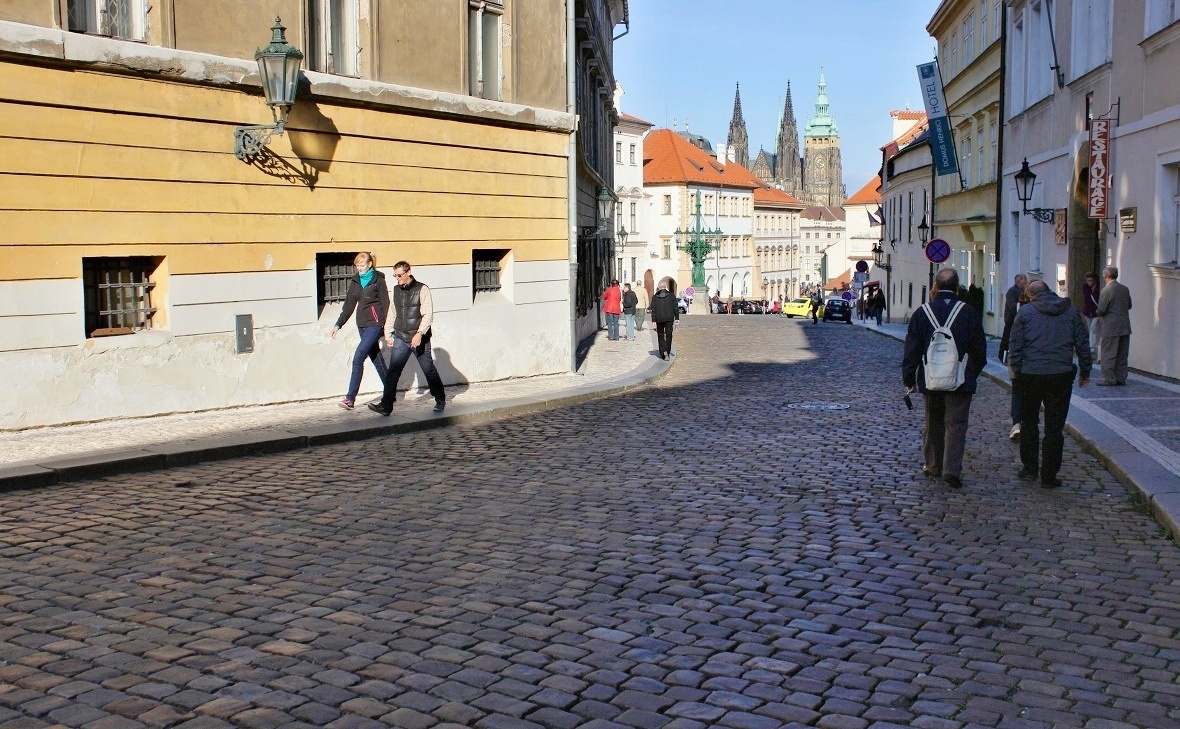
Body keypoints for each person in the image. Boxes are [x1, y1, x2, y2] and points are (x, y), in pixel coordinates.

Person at [902, 268, 987, 489]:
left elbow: (912, 349)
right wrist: (971, 373)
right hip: (961, 380)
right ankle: (952, 470)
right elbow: (980, 350)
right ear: (957, 287)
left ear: (936, 287)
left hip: (931, 379)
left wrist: (909, 378)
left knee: (933, 423)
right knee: (956, 425)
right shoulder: (968, 312)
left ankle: (933, 465)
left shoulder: (922, 313)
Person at [1008, 280, 1091, 489]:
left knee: (1029, 422)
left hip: (1031, 374)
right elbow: (1082, 343)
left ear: (1031, 296)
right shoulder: (1070, 312)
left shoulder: (1025, 313)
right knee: (1054, 427)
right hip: (1060, 374)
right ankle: (1049, 475)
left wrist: (1015, 371)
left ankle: (1030, 469)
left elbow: (1015, 344)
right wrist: (1085, 371)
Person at [368, 261, 447, 415]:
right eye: (395, 275)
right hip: (401, 337)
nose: (397, 278)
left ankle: (440, 398)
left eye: (399, 275)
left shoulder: (422, 289)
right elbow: (392, 312)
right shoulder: (396, 290)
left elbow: (428, 314)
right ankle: (386, 406)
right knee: (393, 371)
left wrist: (420, 333)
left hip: (418, 339)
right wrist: (388, 333)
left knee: (428, 370)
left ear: (408, 272)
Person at [331, 252, 390, 410]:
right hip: (362, 324)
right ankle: (390, 391)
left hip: (375, 324)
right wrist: (338, 325)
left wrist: (387, 328)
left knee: (358, 358)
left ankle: (350, 399)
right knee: (376, 358)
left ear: (369, 264)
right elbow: (349, 305)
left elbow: (386, 304)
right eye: (357, 265)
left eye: (362, 265)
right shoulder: (355, 281)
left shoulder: (379, 280)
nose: (359, 268)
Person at [998, 273, 1028, 440]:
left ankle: (1017, 423)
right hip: (1034, 358)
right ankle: (1027, 423)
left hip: (1017, 355)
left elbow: (1008, 331)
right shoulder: (1039, 311)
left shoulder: (1017, 311)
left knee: (1017, 389)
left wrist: (1003, 352)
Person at [1095, 266, 1132, 386]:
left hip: (1110, 327)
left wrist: (1097, 313)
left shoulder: (1106, 290)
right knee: (1122, 354)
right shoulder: (1124, 289)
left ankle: (1109, 378)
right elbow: (1129, 305)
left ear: (1106, 276)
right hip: (1124, 326)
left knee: (1108, 354)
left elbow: (1101, 309)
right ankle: (1121, 377)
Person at [649, 279, 679, 360]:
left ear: (659, 287)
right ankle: (667, 351)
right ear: (666, 286)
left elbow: (653, 309)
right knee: (669, 335)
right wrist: (677, 318)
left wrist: (653, 320)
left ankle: (663, 352)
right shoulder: (671, 296)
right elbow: (675, 307)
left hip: (659, 319)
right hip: (669, 318)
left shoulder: (655, 297)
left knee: (660, 335)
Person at [1081, 272, 1100, 357]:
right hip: (1088, 311)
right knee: (1090, 328)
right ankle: (1091, 345)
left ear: (1094, 280)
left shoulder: (1099, 287)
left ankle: (1091, 346)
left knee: (1093, 328)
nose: (1089, 282)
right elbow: (1087, 298)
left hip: (1096, 311)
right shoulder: (1085, 287)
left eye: (1090, 280)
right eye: (1087, 280)